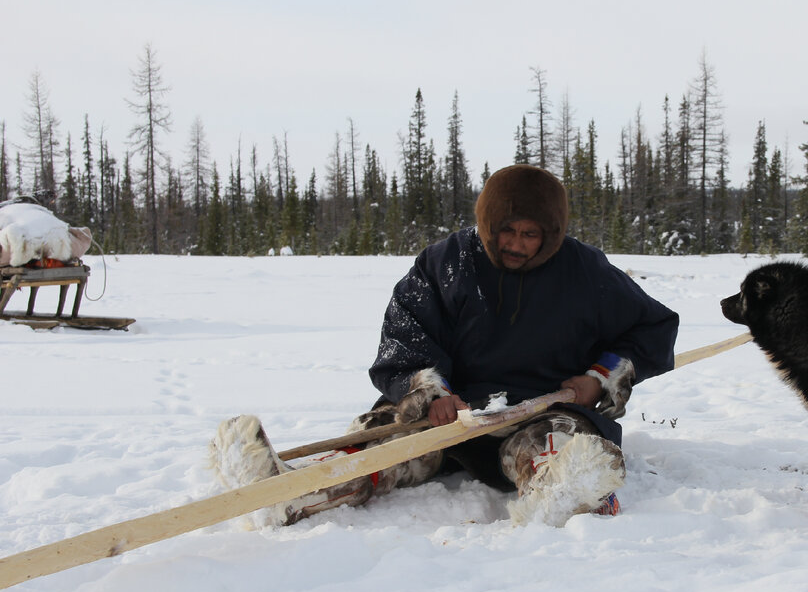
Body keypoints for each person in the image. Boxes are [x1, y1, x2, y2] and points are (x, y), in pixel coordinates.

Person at [210, 164, 679, 528]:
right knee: (388, 443)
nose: (516, 244)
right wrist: (431, 391)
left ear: (551, 233)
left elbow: (652, 328)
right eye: (507, 230)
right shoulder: (447, 262)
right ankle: (295, 494)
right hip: (452, 413)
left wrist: (597, 378)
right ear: (488, 223)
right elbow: (407, 331)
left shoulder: (586, 272)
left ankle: (564, 492)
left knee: (557, 445)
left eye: (531, 234)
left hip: (542, 407)